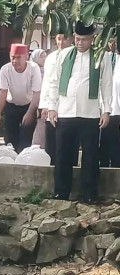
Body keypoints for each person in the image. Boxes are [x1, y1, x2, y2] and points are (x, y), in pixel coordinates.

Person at [48, 21, 112, 204]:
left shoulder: (102, 56)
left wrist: (106, 110)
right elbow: (54, 82)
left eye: (84, 40)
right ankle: (61, 192)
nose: (80, 43)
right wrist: (52, 107)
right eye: (77, 39)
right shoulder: (64, 55)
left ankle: (90, 194)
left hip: (90, 113)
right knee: (63, 155)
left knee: (91, 156)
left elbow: (106, 85)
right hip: (65, 112)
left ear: (92, 39)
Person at [0, 43, 41, 153]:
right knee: (10, 139)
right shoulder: (5, 69)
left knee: (26, 139)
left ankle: (24, 162)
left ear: (26, 57)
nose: (15, 61)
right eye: (13, 57)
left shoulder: (34, 69)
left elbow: (37, 93)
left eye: (19, 57)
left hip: (29, 105)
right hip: (12, 105)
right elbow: (3, 92)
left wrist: (30, 113)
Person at [39, 32, 73, 164]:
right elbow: (46, 82)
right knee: (51, 144)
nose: (61, 42)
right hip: (51, 106)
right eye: (59, 39)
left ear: (71, 39)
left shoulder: (74, 56)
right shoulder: (51, 58)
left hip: (68, 107)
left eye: (64, 39)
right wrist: (44, 105)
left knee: (67, 146)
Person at [99, 39, 120, 167]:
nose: (113, 45)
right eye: (110, 42)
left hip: (117, 111)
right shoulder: (104, 58)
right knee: (104, 149)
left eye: (115, 42)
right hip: (105, 111)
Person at [30, 48, 46, 148]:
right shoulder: (32, 71)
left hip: (44, 104)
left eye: (45, 56)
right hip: (33, 103)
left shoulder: (47, 70)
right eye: (41, 56)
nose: (44, 58)